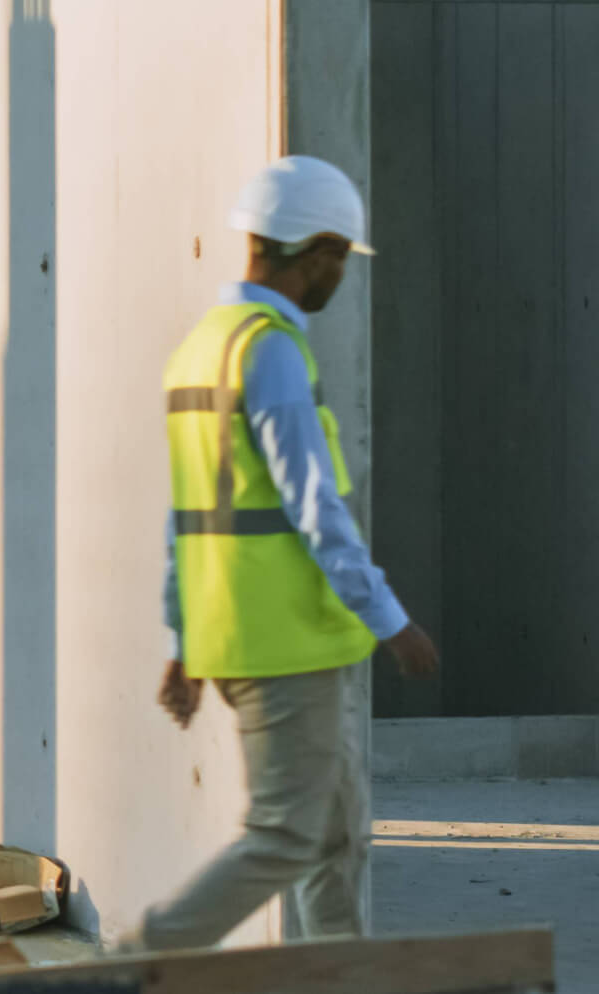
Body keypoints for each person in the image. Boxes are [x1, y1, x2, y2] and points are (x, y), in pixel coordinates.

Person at [126, 156, 440, 950]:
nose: (340, 275)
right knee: (288, 836)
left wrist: (183, 642)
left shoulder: (204, 346)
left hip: (255, 635)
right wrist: (392, 617)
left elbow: (184, 524)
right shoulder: (269, 351)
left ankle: (336, 978)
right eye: (339, 258)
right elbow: (313, 504)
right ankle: (140, 960)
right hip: (284, 640)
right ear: (319, 250)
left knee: (334, 841)